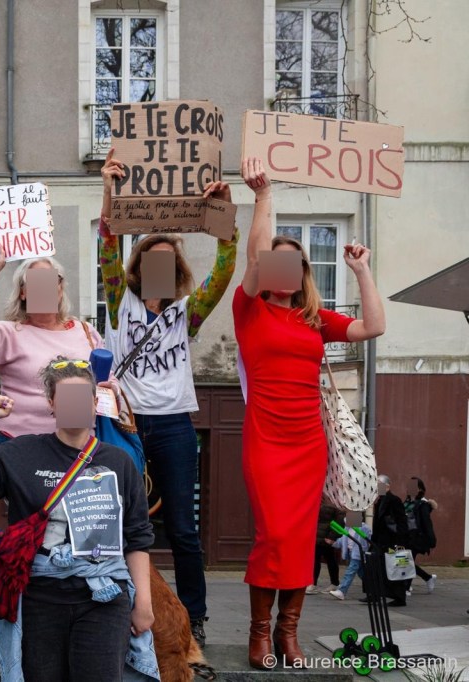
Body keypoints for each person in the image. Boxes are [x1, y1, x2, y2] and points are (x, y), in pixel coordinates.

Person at [234, 157, 385, 668]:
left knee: (301, 538)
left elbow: (373, 327)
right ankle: (259, 632)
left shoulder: (313, 319)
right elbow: (254, 255)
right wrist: (263, 196)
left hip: (308, 443)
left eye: (293, 263)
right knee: (273, 534)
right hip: (265, 439)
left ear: (301, 274)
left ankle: (288, 634)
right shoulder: (249, 309)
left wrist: (361, 271)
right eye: (275, 261)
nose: (282, 269)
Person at [98, 149, 239, 646]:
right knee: (118, 522)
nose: (159, 265)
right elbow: (106, 244)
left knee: (182, 528)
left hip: (176, 424)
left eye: (167, 260)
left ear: (176, 269)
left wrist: (223, 211)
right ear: (138, 268)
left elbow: (224, 269)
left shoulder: (187, 313)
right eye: (150, 259)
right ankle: (117, 607)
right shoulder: (119, 302)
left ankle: (193, 617)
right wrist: (109, 189)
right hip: (128, 425)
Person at [0, 357, 156, 681]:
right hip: (41, 598)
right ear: (51, 403)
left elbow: (137, 536)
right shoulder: (24, 452)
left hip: (104, 598)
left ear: (95, 403)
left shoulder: (119, 461)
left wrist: (143, 602)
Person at [0, 255, 102, 443]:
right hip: (20, 441)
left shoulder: (85, 331)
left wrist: (112, 388)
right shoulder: (9, 333)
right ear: (23, 293)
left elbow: (106, 377)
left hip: (79, 443)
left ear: (60, 289)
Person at [368, 475, 409, 607]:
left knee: (396, 568)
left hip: (392, 540)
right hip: (380, 541)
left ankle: (400, 598)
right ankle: (375, 594)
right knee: (376, 567)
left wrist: (399, 541)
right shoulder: (379, 501)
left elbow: (401, 521)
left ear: (387, 486)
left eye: (379, 484)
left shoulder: (394, 500)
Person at [404, 476, 438, 595]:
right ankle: (428, 578)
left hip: (416, 537)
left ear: (420, 489)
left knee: (408, 561)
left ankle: (406, 587)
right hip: (406, 536)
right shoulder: (407, 502)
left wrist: (431, 540)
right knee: (407, 561)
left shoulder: (422, 505)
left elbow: (426, 524)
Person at [308, 497, 345, 594]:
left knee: (327, 559)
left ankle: (330, 583)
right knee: (320, 558)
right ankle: (331, 583)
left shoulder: (336, 499)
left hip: (327, 535)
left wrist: (332, 536)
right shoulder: (318, 497)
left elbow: (340, 520)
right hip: (317, 534)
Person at [329, 518, 371, 601]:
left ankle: (342, 591)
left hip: (358, 554)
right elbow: (343, 540)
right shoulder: (347, 528)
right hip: (351, 553)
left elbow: (366, 541)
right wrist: (333, 543)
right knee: (363, 574)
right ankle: (374, 590)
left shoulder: (364, 528)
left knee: (350, 572)